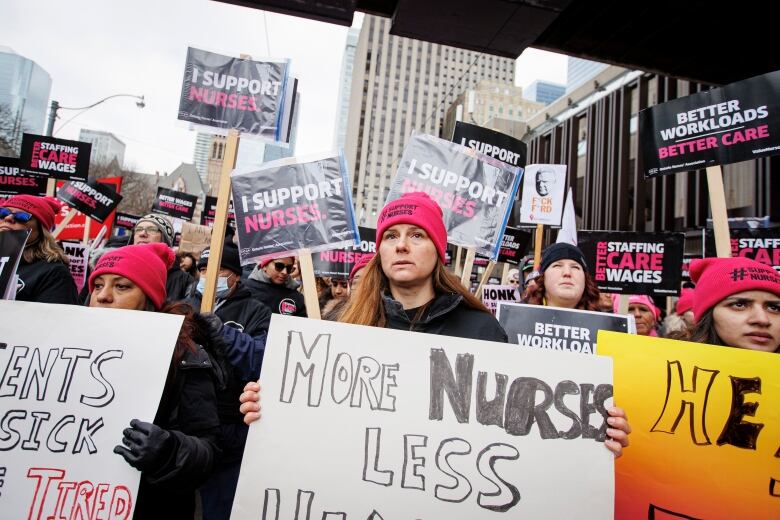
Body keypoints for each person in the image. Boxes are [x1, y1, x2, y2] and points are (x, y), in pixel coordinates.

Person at [241, 193, 630, 457]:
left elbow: (522, 434)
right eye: (390, 236)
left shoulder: (483, 332)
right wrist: (271, 406)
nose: (401, 245)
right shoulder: (342, 327)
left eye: (416, 234)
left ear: (438, 250)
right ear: (379, 250)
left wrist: (593, 434)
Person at [87, 242, 221, 519]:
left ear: (148, 298)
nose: (103, 296)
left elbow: (208, 451)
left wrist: (169, 451)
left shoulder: (184, 357)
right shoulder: (66, 350)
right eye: (97, 285)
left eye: (121, 286)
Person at [185, 242, 270, 519]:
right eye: (202, 270)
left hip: (229, 433)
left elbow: (261, 362)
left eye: (217, 269)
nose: (207, 276)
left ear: (234, 274)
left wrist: (225, 335)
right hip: (185, 429)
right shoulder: (182, 306)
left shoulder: (257, 312)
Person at [686, 257, 780, 352]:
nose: (762, 319)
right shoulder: (676, 363)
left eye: (774, 308)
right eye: (739, 305)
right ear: (708, 316)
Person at [0, 195, 79, 304]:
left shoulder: (54, 273)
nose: (8, 218)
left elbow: (54, 319)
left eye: (21, 216)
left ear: (41, 231)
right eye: (3, 213)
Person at [130, 214, 194, 302]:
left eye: (152, 229)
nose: (142, 234)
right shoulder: (118, 270)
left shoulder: (184, 281)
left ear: (165, 240)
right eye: (138, 229)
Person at [521, 242, 600, 310]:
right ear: (542, 277)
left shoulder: (605, 324)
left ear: (585, 279)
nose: (567, 273)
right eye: (557, 266)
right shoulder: (514, 317)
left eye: (575, 267)